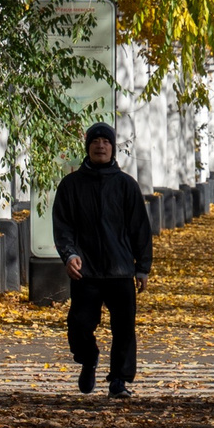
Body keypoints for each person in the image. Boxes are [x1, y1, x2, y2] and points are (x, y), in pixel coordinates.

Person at [51, 121, 152, 397]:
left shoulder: (126, 185)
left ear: (112, 148)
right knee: (79, 325)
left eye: (106, 141)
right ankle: (88, 358)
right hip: (87, 272)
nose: (100, 145)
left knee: (124, 329)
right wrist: (69, 254)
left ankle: (118, 380)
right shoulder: (71, 185)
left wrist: (142, 268)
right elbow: (63, 226)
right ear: (87, 147)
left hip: (120, 270)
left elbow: (140, 229)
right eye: (95, 141)